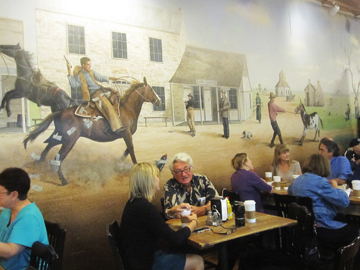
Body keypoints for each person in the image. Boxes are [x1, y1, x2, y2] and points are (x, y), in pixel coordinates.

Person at [119, 162, 204, 270]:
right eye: (157, 176)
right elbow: (175, 239)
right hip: (147, 264)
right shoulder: (145, 207)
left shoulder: (134, 203)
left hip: (138, 260)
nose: (158, 179)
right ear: (149, 181)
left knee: (181, 252)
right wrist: (193, 223)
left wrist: (171, 212)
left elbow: (155, 221)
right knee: (198, 261)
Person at [288, 154, 359, 252]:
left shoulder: (297, 181)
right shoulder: (320, 182)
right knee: (355, 231)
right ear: (323, 166)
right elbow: (344, 202)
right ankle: (345, 263)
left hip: (303, 227)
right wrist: (336, 187)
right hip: (321, 227)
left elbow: (289, 191)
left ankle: (328, 255)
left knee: (342, 220)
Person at [0, 168, 48, 270]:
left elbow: (10, 251)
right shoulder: (8, 210)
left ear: (14, 195)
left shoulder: (29, 217)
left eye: (0, 193)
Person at [67, 57, 126, 135]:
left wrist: (111, 78)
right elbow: (74, 85)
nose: (90, 66)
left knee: (116, 96)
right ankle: (116, 128)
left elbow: (100, 78)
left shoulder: (91, 72)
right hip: (95, 94)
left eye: (90, 64)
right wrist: (69, 71)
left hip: (101, 90)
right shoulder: (80, 76)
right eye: (88, 65)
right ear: (83, 65)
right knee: (107, 106)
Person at [164, 153, 218, 219]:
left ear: (191, 168)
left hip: (206, 222)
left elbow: (216, 202)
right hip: (184, 225)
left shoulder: (202, 180)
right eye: (178, 171)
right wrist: (206, 208)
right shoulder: (170, 186)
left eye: (186, 169)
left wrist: (202, 210)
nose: (183, 174)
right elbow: (171, 213)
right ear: (173, 174)